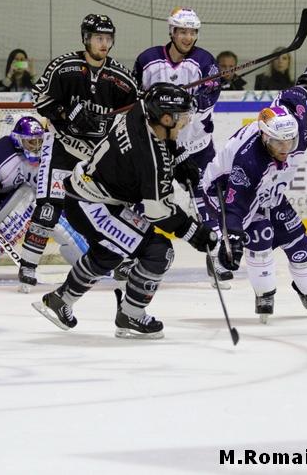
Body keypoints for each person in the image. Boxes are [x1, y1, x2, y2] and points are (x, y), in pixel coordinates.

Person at [32, 83, 218, 339]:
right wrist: (196, 234)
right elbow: (158, 212)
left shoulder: (139, 110)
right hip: (93, 206)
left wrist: (179, 160)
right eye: (182, 117)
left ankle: (60, 300)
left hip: (85, 195)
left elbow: (159, 134)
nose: (186, 122)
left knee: (109, 253)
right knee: (158, 251)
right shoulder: (151, 159)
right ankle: (131, 314)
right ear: (165, 118)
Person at [201, 57, 307, 323]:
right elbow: (234, 207)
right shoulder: (250, 162)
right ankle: (263, 293)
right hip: (222, 190)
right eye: (279, 143)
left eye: (290, 141)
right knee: (259, 238)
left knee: (299, 240)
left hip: (268, 190)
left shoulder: (296, 125)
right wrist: (232, 238)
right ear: (265, 137)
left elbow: (293, 95)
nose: (285, 148)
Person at [17, 14, 138, 290]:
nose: (104, 43)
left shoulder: (121, 78)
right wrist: (67, 113)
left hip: (98, 155)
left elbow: (136, 111)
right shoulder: (65, 67)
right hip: (64, 147)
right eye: (98, 38)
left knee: (111, 207)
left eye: (108, 38)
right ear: (86, 39)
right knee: (49, 207)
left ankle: (122, 261)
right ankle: (28, 265)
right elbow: (40, 97)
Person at [132, 7, 231, 288]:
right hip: (158, 145)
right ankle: (132, 254)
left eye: (193, 32)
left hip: (196, 146)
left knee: (207, 200)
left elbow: (210, 94)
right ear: (172, 32)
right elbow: (136, 97)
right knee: (142, 200)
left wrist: (193, 102)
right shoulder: (148, 60)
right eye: (183, 31)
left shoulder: (205, 61)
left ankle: (216, 256)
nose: (188, 37)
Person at [0, 114, 87, 282]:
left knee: (52, 215)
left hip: (13, 196)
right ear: (18, 139)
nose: (36, 147)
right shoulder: (4, 151)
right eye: (31, 142)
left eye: (39, 142)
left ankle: (90, 261)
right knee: (24, 200)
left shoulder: (46, 155)